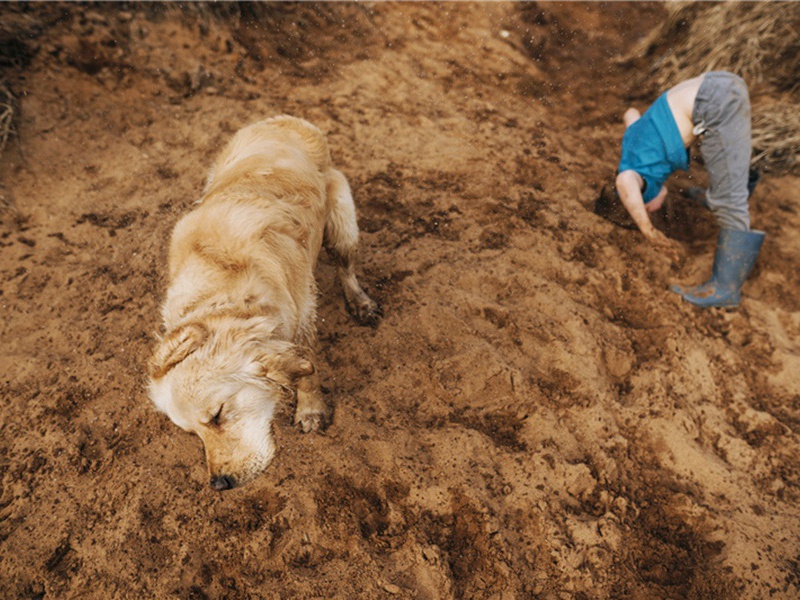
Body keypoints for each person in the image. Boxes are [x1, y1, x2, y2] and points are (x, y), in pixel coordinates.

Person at [615, 71, 765, 308]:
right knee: (733, 165)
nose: (650, 208)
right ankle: (732, 184)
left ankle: (725, 290)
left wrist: (648, 230)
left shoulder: (636, 175)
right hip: (717, 82)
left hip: (713, 101)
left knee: (728, 200)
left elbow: (624, 183)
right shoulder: (631, 142)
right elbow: (630, 112)